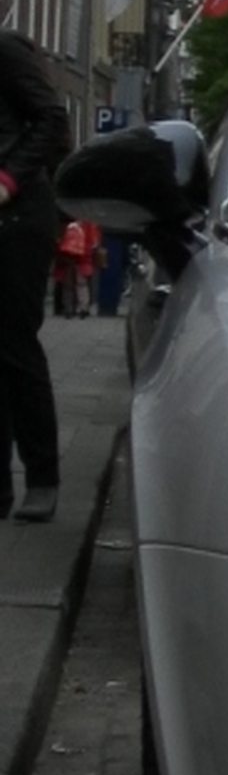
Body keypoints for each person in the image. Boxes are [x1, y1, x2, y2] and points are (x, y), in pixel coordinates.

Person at [0, 31, 71, 521]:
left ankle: (42, 477)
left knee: (13, 345)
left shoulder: (4, 52)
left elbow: (53, 118)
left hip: (17, 217)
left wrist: (8, 177)